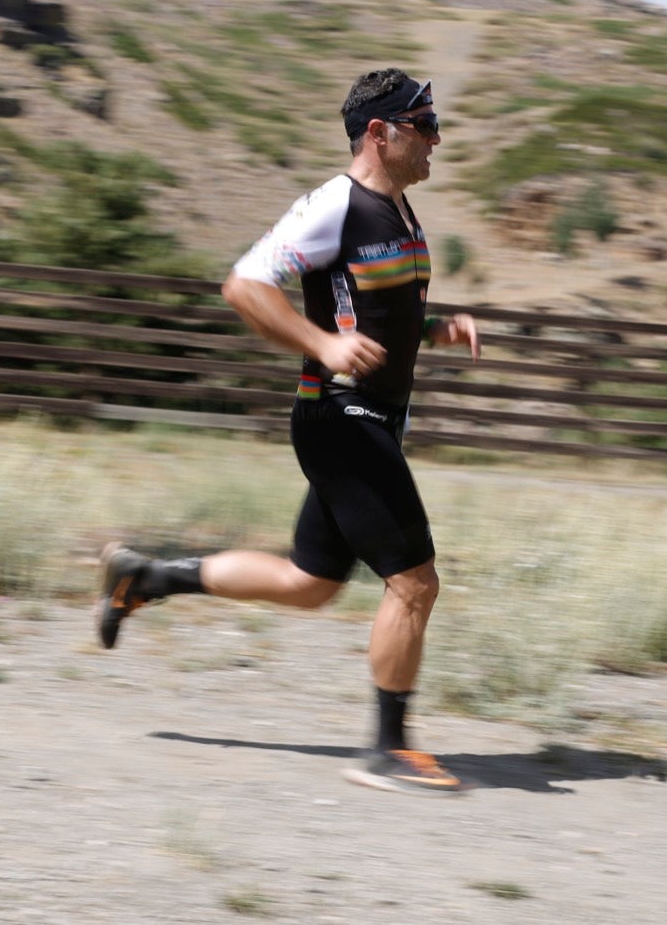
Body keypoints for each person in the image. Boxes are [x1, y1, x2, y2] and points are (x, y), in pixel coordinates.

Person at [97, 68, 480, 795]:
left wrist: (434, 328)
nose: (437, 139)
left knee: (311, 585)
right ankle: (390, 751)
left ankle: (144, 577)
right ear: (381, 132)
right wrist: (323, 346)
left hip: (369, 422)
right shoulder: (336, 205)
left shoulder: (397, 212)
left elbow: (369, 315)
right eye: (425, 124)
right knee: (415, 583)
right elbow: (244, 285)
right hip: (342, 418)